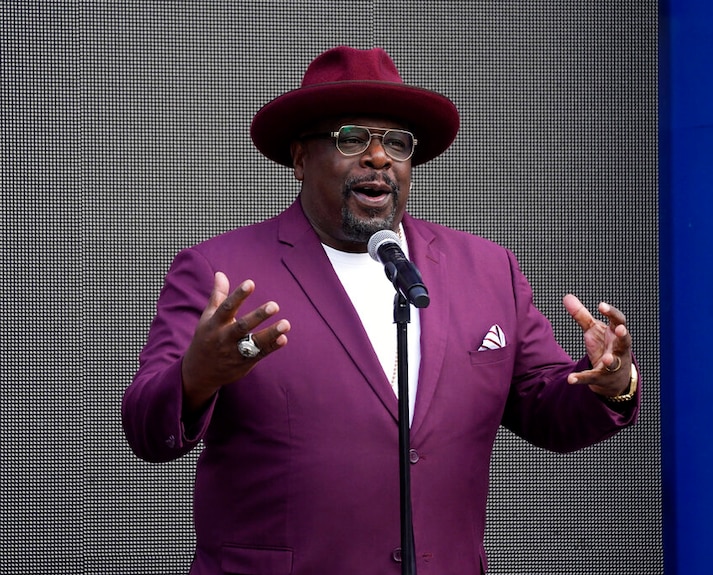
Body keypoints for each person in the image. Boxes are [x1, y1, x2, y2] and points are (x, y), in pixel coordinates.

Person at [123, 45, 640, 575]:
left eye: (396, 142)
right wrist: (195, 377)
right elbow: (146, 431)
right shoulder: (220, 272)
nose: (378, 157)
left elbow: (549, 413)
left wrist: (608, 382)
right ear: (300, 158)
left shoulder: (488, 270)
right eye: (351, 138)